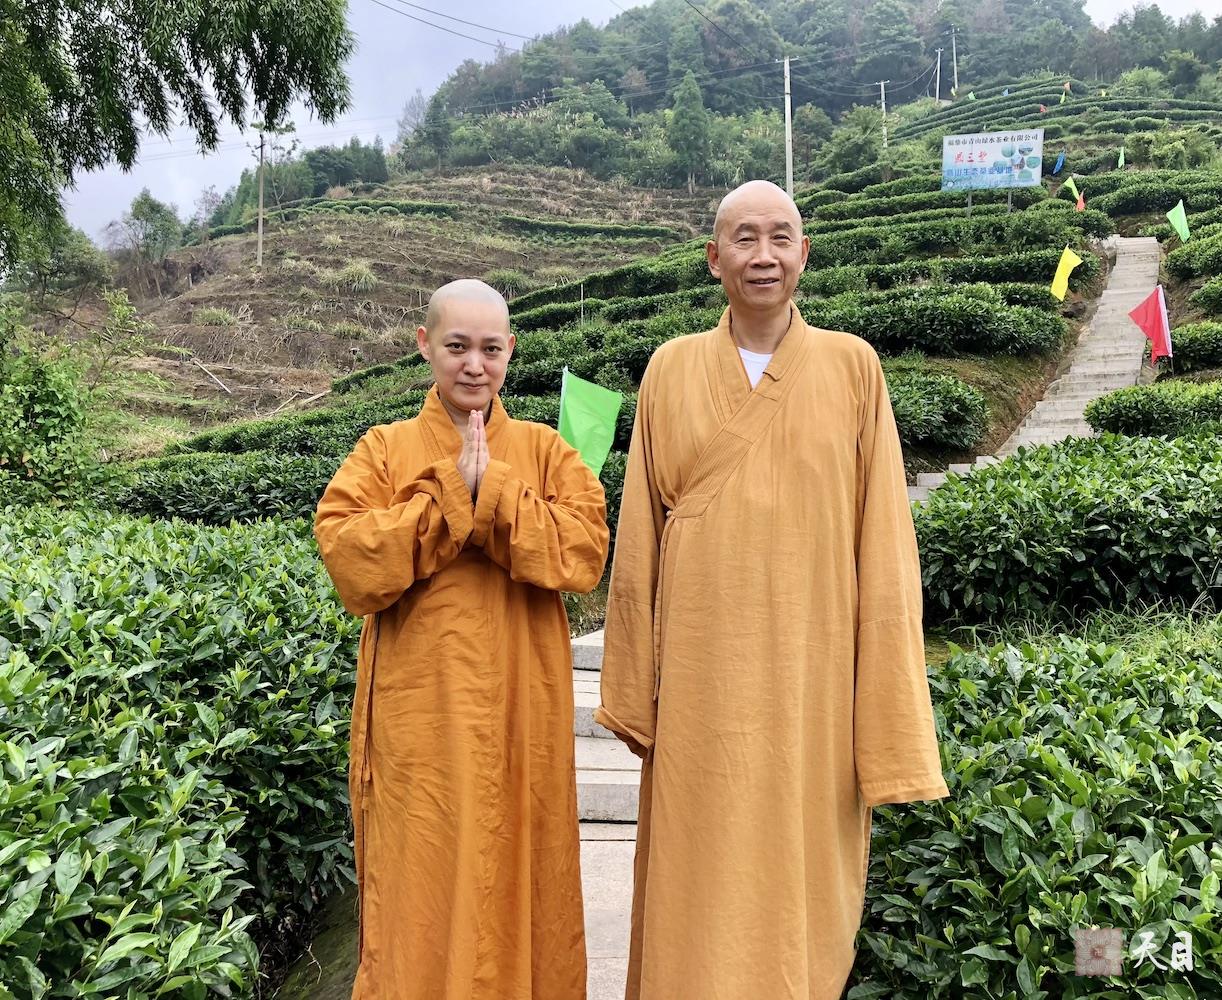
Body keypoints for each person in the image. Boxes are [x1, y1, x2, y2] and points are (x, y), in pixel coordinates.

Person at [595, 181, 950, 999]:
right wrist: (633, 692)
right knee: (697, 874)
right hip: (700, 682)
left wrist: (886, 714)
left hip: (810, 681)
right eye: (744, 239)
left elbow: (886, 546)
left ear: (804, 253)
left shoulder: (853, 365)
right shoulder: (671, 368)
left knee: (799, 886)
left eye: (780, 237)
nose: (764, 254)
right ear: (713, 259)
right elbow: (639, 546)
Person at [315, 278, 610, 1000]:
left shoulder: (544, 449)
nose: (473, 365)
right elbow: (348, 555)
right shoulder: (384, 448)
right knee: (423, 878)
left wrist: (496, 492)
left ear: (511, 350)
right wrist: (447, 493)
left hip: (521, 717)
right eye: (456, 347)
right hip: (421, 726)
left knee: (521, 869)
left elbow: (585, 550)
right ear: (425, 347)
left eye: (488, 349)